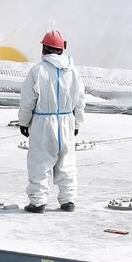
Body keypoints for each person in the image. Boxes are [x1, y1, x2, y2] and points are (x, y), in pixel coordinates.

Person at [17, 30, 85, 213]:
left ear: (44, 48)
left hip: (43, 123)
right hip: (66, 122)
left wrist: (24, 122)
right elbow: (80, 101)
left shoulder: (37, 71)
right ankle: (68, 201)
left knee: (40, 163)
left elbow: (27, 101)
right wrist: (77, 123)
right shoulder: (73, 72)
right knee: (67, 163)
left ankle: (38, 202)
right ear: (62, 49)